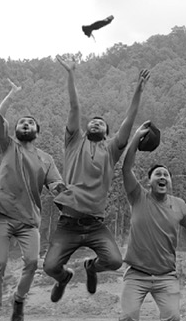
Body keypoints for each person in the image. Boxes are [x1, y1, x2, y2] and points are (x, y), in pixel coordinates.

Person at [43, 60, 149, 302]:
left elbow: (128, 121)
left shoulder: (111, 152)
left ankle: (91, 268)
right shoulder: (73, 143)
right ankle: (63, 278)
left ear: (107, 133)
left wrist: (138, 90)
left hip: (95, 224)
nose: (95, 122)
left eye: (101, 123)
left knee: (114, 261)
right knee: (50, 267)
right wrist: (70, 74)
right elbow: (74, 107)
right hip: (68, 223)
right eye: (92, 121)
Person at [112, 121, 186, 321]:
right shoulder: (138, 196)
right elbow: (125, 167)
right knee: (127, 318)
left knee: (173, 318)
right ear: (149, 181)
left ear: (170, 182)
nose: (162, 177)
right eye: (157, 174)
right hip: (135, 274)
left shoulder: (179, 205)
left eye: (166, 175)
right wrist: (136, 136)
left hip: (166, 277)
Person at [0, 79, 63, 321]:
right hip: (3, 216)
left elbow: (56, 186)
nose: (25, 125)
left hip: (29, 221)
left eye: (30, 123)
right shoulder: (7, 146)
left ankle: (19, 300)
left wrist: (67, 198)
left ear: (37, 131)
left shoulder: (46, 159)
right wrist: (11, 95)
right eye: (21, 123)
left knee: (31, 263)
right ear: (14, 130)